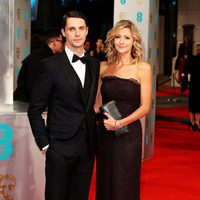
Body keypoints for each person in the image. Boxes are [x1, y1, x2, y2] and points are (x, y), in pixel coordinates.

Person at [27, 11, 100, 200]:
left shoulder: (94, 64)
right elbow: (34, 109)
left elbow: (89, 104)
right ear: (63, 32)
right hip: (59, 148)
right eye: (72, 29)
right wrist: (45, 144)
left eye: (81, 28)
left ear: (87, 31)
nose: (77, 33)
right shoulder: (50, 65)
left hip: (86, 147)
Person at [94, 19, 152, 200]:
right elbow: (96, 103)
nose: (121, 41)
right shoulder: (103, 66)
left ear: (134, 41)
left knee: (125, 180)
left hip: (129, 133)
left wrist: (119, 123)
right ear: (112, 40)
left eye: (126, 37)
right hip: (105, 132)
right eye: (117, 37)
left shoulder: (142, 68)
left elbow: (145, 107)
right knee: (105, 178)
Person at [13, 29, 63, 102]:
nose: (63, 45)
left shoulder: (41, 55)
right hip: (27, 103)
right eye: (61, 41)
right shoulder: (44, 58)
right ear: (54, 42)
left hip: (27, 101)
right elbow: (32, 84)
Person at [183, 44, 200, 131]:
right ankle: (197, 123)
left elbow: (187, 69)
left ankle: (192, 122)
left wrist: (187, 80)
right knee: (198, 104)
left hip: (193, 83)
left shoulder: (192, 59)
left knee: (192, 104)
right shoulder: (193, 58)